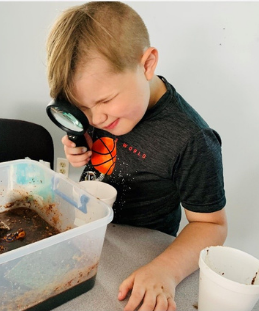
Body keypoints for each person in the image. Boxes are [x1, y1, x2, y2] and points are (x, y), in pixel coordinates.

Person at [46, 2, 227, 311]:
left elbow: (212, 226)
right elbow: (102, 149)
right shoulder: (106, 111)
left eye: (104, 101)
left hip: (144, 253)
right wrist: (80, 149)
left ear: (147, 64)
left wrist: (165, 270)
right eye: (83, 108)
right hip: (91, 236)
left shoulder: (192, 139)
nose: (96, 117)